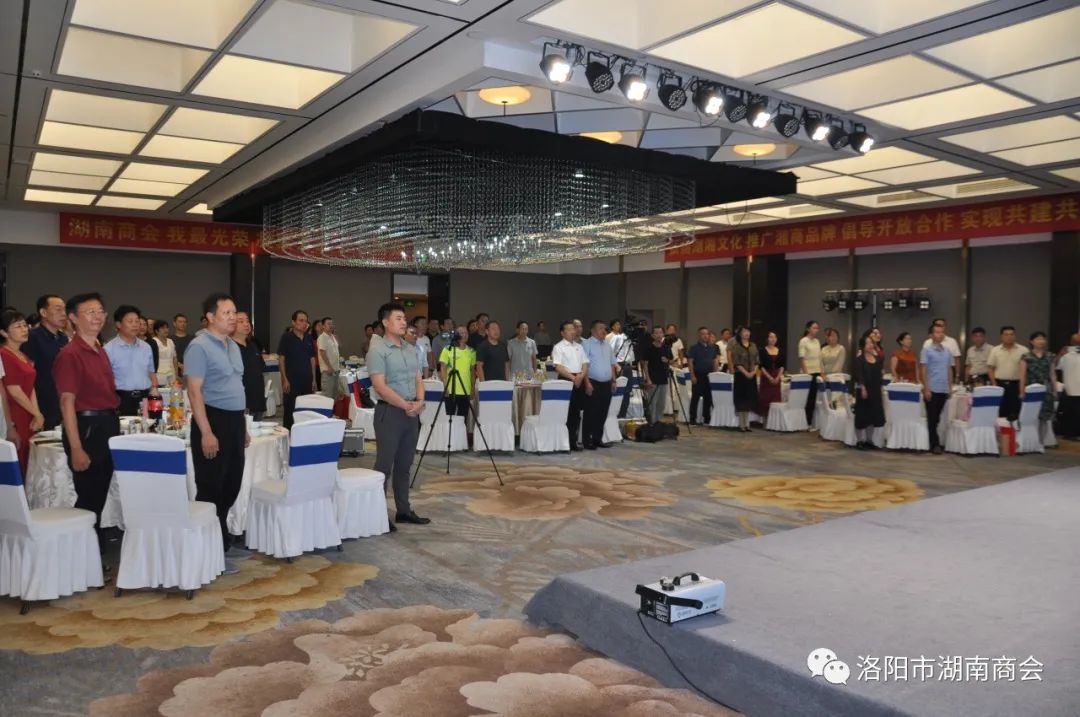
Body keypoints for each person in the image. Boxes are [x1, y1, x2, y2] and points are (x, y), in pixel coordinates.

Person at [184, 293, 248, 567]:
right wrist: (206, 432)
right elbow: (194, 391)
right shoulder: (199, 347)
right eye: (226, 313)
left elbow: (236, 386)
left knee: (232, 482)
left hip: (234, 421)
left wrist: (243, 426)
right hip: (212, 420)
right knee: (211, 485)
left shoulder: (232, 345)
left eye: (234, 312)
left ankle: (219, 539)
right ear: (210, 317)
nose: (233, 317)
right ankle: (206, 550)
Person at [53, 292, 120, 533]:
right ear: (73, 318)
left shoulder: (99, 349)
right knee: (89, 498)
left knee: (98, 496)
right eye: (90, 312)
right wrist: (76, 447)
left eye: (101, 311)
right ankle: (82, 548)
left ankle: (93, 547)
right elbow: (66, 403)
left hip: (107, 424)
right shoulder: (70, 354)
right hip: (87, 429)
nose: (98, 317)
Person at [368, 302, 428, 527]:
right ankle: (377, 514)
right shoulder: (378, 350)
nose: (404, 322)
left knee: (405, 465)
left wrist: (419, 402)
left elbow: (418, 378)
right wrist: (406, 405)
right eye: (398, 318)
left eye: (404, 318)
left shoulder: (410, 349)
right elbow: (380, 386)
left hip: (411, 413)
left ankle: (404, 510)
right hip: (390, 413)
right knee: (384, 466)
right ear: (385, 322)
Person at [1, 311, 42, 473]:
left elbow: (31, 387)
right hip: (14, 412)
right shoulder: (4, 355)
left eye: (25, 325)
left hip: (28, 411)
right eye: (18, 326)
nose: (24, 329)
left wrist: (36, 413)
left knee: (29, 458)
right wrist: (37, 414)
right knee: (17, 458)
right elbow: (14, 390)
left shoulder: (23, 355)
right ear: (4, 332)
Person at [104, 305, 158, 416]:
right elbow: (104, 380)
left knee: (148, 426)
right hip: (120, 400)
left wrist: (154, 389)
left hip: (145, 398)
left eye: (137, 321)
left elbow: (151, 372)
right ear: (119, 324)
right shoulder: (108, 349)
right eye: (130, 321)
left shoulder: (146, 347)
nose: (135, 325)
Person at [24, 293, 68, 430]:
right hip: (43, 402)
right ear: (43, 312)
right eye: (58, 309)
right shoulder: (32, 338)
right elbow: (28, 375)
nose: (63, 314)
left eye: (64, 309)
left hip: (63, 399)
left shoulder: (63, 338)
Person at [552, 321, 589, 450]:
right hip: (566, 380)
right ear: (562, 333)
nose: (573, 331)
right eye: (569, 329)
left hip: (579, 379)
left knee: (576, 412)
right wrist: (573, 378)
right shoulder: (559, 347)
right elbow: (558, 367)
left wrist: (581, 376)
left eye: (573, 329)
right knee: (566, 412)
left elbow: (585, 363)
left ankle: (573, 441)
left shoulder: (579, 347)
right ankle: (564, 442)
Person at [277, 310, 316, 429]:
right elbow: (281, 359)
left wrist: (314, 379)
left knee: (306, 410)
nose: (304, 323)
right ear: (293, 322)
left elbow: (312, 359)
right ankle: (288, 434)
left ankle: (303, 434)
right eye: (301, 320)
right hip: (291, 381)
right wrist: (284, 379)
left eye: (306, 321)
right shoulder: (286, 337)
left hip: (307, 380)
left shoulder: (309, 338)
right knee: (290, 410)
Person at [582, 320, 617, 449]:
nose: (604, 331)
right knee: (591, 412)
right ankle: (587, 440)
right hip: (593, 383)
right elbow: (584, 365)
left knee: (603, 412)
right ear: (592, 330)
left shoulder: (608, 345)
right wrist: (587, 383)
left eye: (604, 328)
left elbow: (612, 364)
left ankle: (597, 438)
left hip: (606, 384)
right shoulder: (586, 344)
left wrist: (613, 380)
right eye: (600, 328)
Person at [921, 323, 955, 454]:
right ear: (931, 335)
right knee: (932, 418)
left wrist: (950, 387)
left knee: (937, 418)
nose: (940, 334)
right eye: (937, 332)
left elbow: (949, 370)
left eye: (942, 332)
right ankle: (935, 444)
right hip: (932, 388)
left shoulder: (947, 351)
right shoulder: (927, 350)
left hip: (943, 388)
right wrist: (926, 388)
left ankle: (934, 442)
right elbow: (923, 370)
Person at [988, 326, 1028, 421]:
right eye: (1006, 335)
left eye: (1011, 334)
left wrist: (1023, 387)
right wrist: (994, 385)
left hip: (1016, 385)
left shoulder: (1024, 350)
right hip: (1000, 384)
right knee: (1000, 412)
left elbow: (1027, 370)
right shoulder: (995, 350)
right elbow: (990, 369)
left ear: (1015, 336)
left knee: (1015, 413)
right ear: (1001, 336)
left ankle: (1014, 430)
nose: (1009, 337)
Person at [854, 334, 885, 449]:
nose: (870, 345)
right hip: (864, 390)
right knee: (862, 416)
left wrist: (880, 390)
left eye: (871, 343)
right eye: (867, 343)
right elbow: (859, 375)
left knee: (872, 416)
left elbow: (879, 376)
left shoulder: (876, 359)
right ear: (862, 346)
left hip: (875, 390)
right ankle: (859, 441)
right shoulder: (859, 360)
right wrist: (863, 388)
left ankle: (869, 440)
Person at [233, 311, 266, 420]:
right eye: (241, 321)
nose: (246, 324)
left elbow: (261, 368)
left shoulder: (253, 345)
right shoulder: (229, 347)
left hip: (258, 402)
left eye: (247, 321)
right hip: (240, 404)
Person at [1019, 332, 1055, 428]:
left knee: (1045, 416)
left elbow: (1052, 374)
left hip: (1046, 389)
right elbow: (1022, 375)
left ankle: (1042, 437)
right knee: (1031, 414)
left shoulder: (1050, 356)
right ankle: (1031, 436)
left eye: (1043, 339)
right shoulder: (1026, 356)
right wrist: (1021, 391)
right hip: (1031, 388)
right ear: (1032, 342)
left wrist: (1054, 390)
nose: (1041, 341)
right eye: (1038, 339)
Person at [439, 326, 476, 418]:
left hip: (466, 389)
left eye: (466, 333)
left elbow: (472, 371)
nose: (465, 335)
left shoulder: (472, 351)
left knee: (463, 417)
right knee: (449, 417)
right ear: (456, 335)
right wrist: (445, 386)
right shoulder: (447, 349)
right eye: (462, 333)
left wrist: (472, 388)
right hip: (451, 389)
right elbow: (443, 369)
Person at [638, 326, 671, 425]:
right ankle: (652, 423)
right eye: (656, 333)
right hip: (652, 379)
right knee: (653, 403)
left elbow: (670, 359)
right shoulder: (649, 348)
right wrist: (648, 379)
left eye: (660, 332)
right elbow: (645, 364)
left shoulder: (666, 347)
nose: (659, 335)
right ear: (652, 335)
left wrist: (667, 360)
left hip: (663, 378)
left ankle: (658, 422)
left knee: (661, 403)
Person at [686, 326, 719, 425]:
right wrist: (692, 375)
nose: (705, 336)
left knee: (708, 397)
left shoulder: (712, 348)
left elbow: (715, 362)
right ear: (699, 335)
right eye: (703, 334)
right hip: (698, 374)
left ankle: (706, 418)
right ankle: (693, 418)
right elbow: (690, 362)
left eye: (707, 334)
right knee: (695, 397)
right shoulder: (694, 348)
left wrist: (716, 374)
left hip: (709, 376)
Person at [730, 326, 759, 432]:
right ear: (740, 334)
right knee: (741, 400)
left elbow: (757, 361)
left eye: (748, 331)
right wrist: (746, 373)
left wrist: (753, 372)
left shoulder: (753, 346)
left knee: (749, 399)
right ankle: (741, 424)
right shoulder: (736, 347)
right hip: (741, 375)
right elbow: (736, 362)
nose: (747, 333)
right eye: (744, 332)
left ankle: (747, 424)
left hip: (752, 375)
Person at [798, 320, 822, 428]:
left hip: (817, 372)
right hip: (808, 373)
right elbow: (802, 358)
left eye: (817, 328)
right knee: (808, 398)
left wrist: (821, 371)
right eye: (814, 328)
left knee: (813, 398)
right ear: (808, 329)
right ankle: (805, 423)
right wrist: (807, 373)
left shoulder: (817, 341)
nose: (816, 330)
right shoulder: (803, 341)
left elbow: (819, 358)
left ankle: (810, 422)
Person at [1056, 333, 1080, 440]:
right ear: (1071, 342)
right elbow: (1055, 366)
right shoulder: (1066, 355)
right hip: (1070, 389)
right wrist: (1060, 354)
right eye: (1075, 342)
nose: (1077, 344)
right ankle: (1070, 434)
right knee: (1070, 414)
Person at [757, 331, 784, 420]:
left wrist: (778, 377)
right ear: (767, 339)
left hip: (777, 377)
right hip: (766, 377)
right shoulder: (762, 351)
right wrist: (769, 377)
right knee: (765, 399)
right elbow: (761, 366)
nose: (773, 339)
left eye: (775, 337)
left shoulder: (780, 350)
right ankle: (765, 421)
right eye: (771, 337)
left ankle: (774, 421)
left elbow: (782, 366)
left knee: (776, 399)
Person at [317, 316, 342, 400]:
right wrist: (329, 367)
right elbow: (322, 353)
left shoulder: (332, 336)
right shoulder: (322, 337)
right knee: (327, 397)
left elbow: (335, 353)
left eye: (332, 324)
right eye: (328, 324)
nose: (331, 325)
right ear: (323, 326)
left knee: (334, 396)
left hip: (335, 370)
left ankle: (332, 409)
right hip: (328, 371)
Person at [152, 319, 178, 386]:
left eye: (167, 327)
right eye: (163, 328)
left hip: (171, 373)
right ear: (156, 331)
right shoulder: (153, 342)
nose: (166, 330)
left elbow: (174, 359)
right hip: (158, 374)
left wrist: (176, 374)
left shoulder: (170, 341)